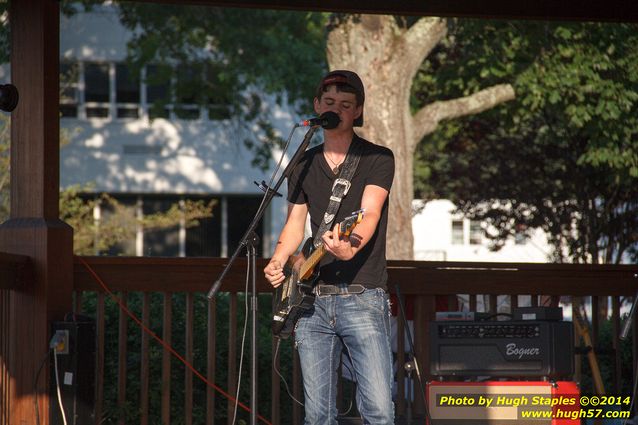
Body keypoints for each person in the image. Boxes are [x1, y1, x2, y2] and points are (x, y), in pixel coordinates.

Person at [264, 70, 395, 424]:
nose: (336, 109)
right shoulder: (303, 162)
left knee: (379, 410)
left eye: (346, 104)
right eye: (330, 102)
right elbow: (295, 223)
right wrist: (278, 259)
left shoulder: (377, 158)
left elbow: (368, 213)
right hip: (312, 300)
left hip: (362, 296)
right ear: (317, 106)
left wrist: (351, 245)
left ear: (357, 111)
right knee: (318, 415)